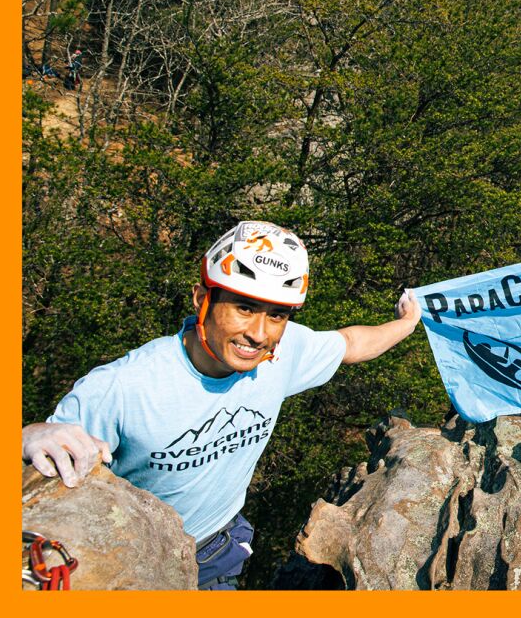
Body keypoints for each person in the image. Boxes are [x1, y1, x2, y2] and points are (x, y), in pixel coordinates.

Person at [21, 220, 423, 589]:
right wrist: (28, 435)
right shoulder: (125, 387)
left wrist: (407, 323)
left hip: (217, 550)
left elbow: (351, 343)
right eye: (244, 308)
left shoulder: (285, 353)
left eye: (277, 315)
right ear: (202, 299)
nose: (258, 333)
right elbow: (42, 474)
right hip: (132, 558)